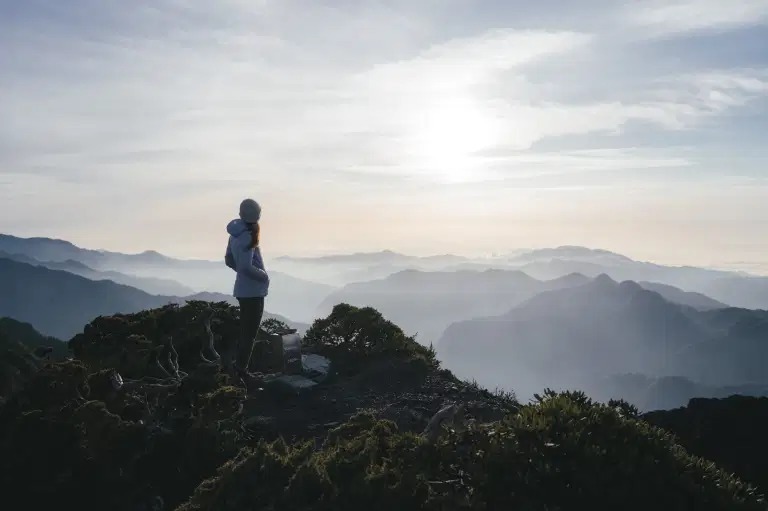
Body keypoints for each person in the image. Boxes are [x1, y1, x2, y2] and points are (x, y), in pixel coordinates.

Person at [225, 198, 270, 379]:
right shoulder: (248, 235)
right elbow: (245, 266)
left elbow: (229, 260)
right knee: (249, 333)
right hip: (252, 292)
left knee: (246, 331)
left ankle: (240, 368)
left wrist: (242, 273)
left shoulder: (235, 234)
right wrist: (263, 275)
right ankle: (241, 371)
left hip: (243, 290)